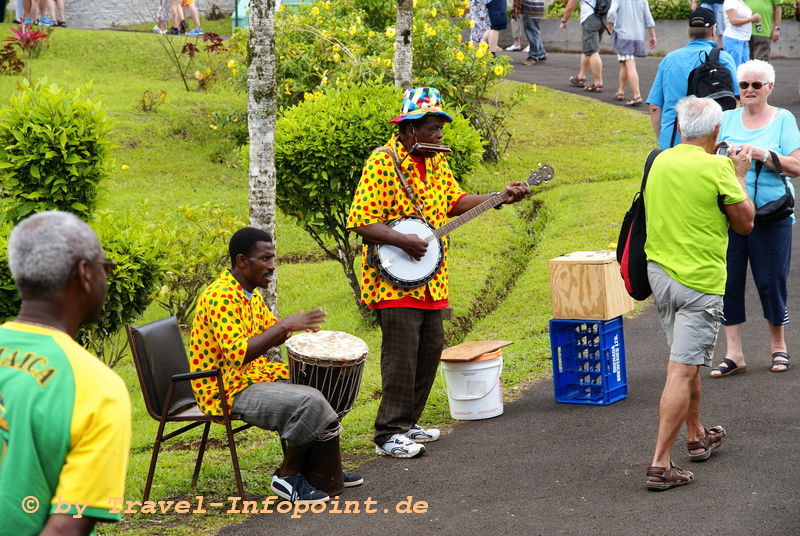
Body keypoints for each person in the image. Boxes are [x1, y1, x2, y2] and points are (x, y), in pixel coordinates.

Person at [347, 87, 531, 458]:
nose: (438, 136)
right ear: (408, 129)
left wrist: (500, 197)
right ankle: (388, 433)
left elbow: (455, 202)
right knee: (401, 355)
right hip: (392, 280)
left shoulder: (435, 162)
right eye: (431, 129)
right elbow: (361, 221)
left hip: (431, 278)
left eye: (440, 129)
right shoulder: (383, 162)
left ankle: (409, 422)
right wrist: (401, 240)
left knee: (429, 350)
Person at [189, 227, 362, 503]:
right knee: (308, 400)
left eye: (273, 258)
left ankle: (325, 469)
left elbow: (271, 333)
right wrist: (283, 325)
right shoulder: (220, 296)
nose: (272, 266)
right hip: (224, 388)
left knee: (317, 380)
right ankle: (288, 474)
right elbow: (239, 353)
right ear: (242, 261)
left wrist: (306, 336)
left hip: (250, 376)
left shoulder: (248, 294)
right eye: (265, 259)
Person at [643, 96, 754, 490]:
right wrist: (739, 174)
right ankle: (659, 464)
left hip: (660, 275)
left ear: (680, 126)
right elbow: (745, 223)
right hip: (699, 282)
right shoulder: (717, 167)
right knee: (682, 369)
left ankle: (696, 436)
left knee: (684, 361)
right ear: (716, 131)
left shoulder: (659, 160)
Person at [0, 211, 131, 534]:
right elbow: (65, 529)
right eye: (106, 268)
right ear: (85, 274)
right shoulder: (99, 389)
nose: (106, 276)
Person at [711, 60, 800, 377]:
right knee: (728, 280)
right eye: (744, 85)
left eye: (756, 85)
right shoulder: (725, 118)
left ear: (769, 88)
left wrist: (762, 154)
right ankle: (734, 353)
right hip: (732, 213)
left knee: (771, 279)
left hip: (772, 214)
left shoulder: (783, 119)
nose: (749, 91)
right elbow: (706, 159)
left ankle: (779, 346)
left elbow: (797, 166)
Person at [646, 8, 738, 149]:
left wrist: (662, 139)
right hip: (710, 141)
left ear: (690, 31)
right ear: (713, 30)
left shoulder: (670, 59)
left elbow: (654, 107)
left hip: (673, 139)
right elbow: (736, 101)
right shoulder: (723, 59)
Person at [606, 0, 656, 105]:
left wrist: (609, 26)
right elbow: (648, 16)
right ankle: (620, 91)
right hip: (637, 35)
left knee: (629, 63)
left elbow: (611, 12)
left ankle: (637, 95)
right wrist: (653, 35)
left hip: (623, 35)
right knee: (624, 62)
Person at [560, 0, 606, 92]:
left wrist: (564, 21)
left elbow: (570, 6)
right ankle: (581, 76)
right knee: (588, 49)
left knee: (593, 51)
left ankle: (598, 82)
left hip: (589, 19)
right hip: (602, 19)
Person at [722, 0, 759, 66]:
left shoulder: (740, 2)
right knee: (734, 67)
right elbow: (733, 21)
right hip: (734, 39)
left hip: (744, 40)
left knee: (744, 69)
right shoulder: (730, 2)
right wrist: (751, 19)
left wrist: (752, 20)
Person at [518, 0, 547, 65]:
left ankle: (533, 56)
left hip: (530, 7)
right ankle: (541, 53)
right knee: (534, 31)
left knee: (532, 32)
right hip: (538, 7)